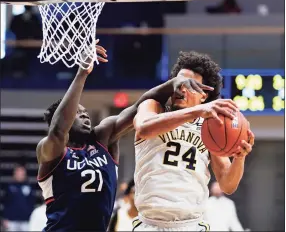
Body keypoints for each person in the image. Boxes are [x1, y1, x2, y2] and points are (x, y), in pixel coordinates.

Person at [37, 42, 214, 231]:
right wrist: (82, 73)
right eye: (78, 114)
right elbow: (58, 129)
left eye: (85, 111)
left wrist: (172, 85)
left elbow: (139, 106)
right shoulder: (51, 151)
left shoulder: (103, 139)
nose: (85, 115)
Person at [132, 51, 255, 231]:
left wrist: (239, 157)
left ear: (204, 96)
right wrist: (197, 111)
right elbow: (143, 128)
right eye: (179, 83)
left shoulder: (210, 127)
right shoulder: (153, 107)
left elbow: (227, 185)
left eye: (191, 85)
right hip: (151, 224)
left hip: (191, 224)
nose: (182, 89)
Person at [2, 165, 36, 231]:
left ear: (25, 174)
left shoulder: (29, 187)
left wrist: (32, 218)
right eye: (18, 173)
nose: (20, 175)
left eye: (22, 173)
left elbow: (32, 203)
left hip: (26, 221)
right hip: (11, 221)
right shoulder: (9, 187)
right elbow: (5, 203)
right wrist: (5, 218)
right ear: (14, 174)